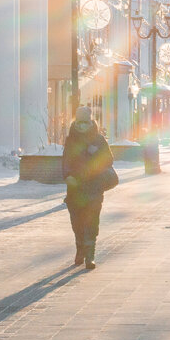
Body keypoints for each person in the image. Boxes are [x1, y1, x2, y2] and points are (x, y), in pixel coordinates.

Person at [62, 106, 117, 270]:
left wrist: (95, 155)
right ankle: (80, 248)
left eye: (85, 122)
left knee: (92, 221)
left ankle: (90, 255)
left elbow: (109, 160)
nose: (82, 126)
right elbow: (65, 161)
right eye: (79, 122)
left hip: (94, 187)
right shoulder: (71, 139)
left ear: (91, 121)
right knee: (77, 221)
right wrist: (67, 176)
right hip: (75, 188)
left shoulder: (99, 140)